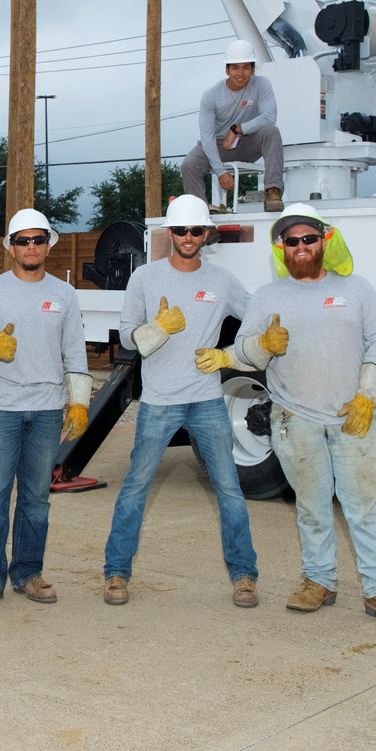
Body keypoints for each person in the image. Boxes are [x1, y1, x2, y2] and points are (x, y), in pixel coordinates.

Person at [203, 202, 376, 627]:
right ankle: (319, 581)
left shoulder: (357, 290)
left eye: (308, 238)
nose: (300, 246)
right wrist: (264, 345)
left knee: (364, 508)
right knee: (312, 507)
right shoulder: (268, 296)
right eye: (291, 240)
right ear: (281, 248)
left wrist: (368, 396)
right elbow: (242, 352)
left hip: (354, 418)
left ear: (323, 241)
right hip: (294, 419)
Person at [103, 193, 279, 607]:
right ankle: (116, 573)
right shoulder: (145, 278)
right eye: (181, 230)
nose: (187, 236)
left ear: (205, 234)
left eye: (195, 230)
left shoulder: (222, 281)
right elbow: (126, 334)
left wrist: (234, 353)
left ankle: (244, 576)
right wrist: (156, 329)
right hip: (159, 402)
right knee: (135, 488)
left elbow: (256, 317)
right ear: (169, 232)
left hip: (207, 401)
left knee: (229, 490)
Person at [0, 209, 91, 608]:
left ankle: (28, 572)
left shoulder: (64, 294)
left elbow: (74, 351)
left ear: (48, 245)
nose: (31, 246)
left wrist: (79, 402)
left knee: (36, 498)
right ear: (11, 248)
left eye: (38, 240)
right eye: (23, 241)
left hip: (46, 411)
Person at [181, 39, 285, 212]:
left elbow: (269, 117)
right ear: (227, 69)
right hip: (218, 145)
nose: (240, 73)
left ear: (253, 69)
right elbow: (207, 137)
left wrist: (238, 129)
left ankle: (273, 192)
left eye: (246, 67)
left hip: (248, 142)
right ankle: (199, 213)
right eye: (235, 67)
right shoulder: (211, 96)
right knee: (189, 164)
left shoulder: (261, 84)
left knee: (271, 132)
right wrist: (220, 171)